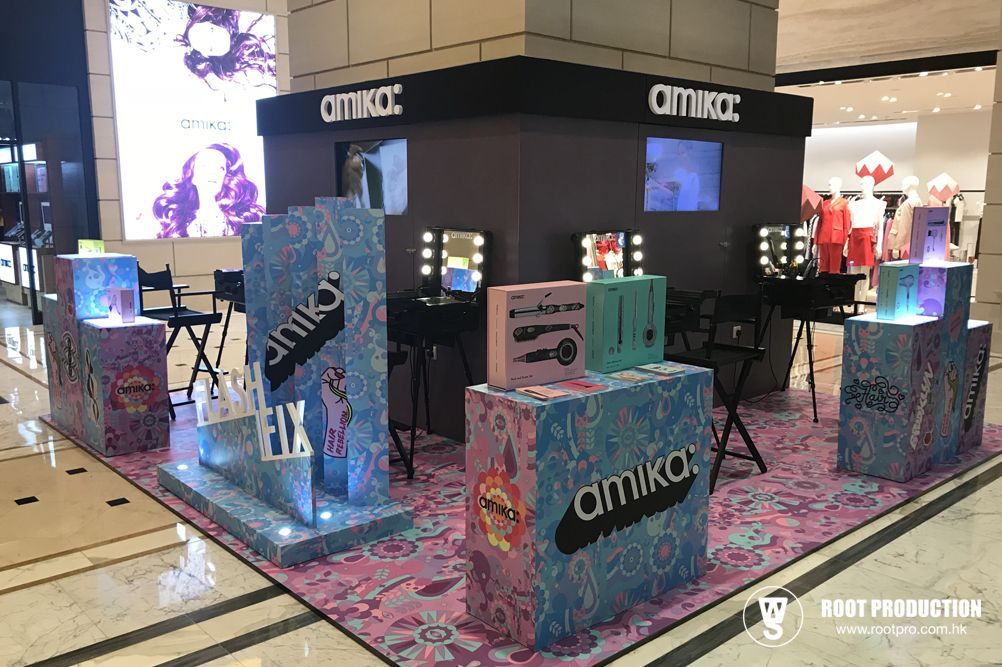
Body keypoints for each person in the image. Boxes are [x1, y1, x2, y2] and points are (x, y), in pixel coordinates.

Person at [153, 143, 264, 238]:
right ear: (192, 176)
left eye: (220, 168)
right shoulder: (179, 223)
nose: (213, 172)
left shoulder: (240, 221)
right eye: (204, 166)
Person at [178, 6, 276, 92]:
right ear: (207, 55)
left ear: (213, 23)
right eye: (210, 46)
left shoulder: (241, 14)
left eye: (212, 31)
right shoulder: (236, 76)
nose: (216, 40)